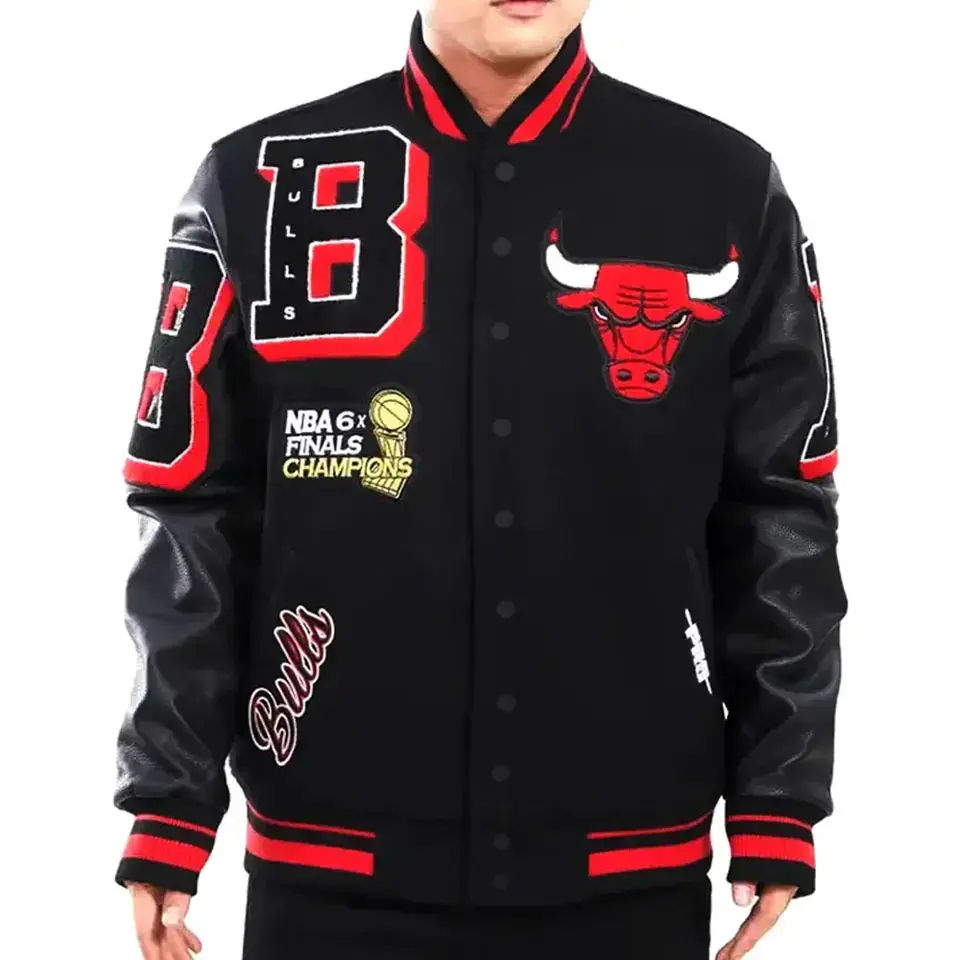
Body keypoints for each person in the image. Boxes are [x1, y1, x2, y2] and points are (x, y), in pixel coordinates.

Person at [114, 1, 846, 958]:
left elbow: (781, 507)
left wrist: (779, 793)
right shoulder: (260, 180)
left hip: (628, 859)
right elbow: (193, 508)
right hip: (328, 865)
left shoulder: (724, 186)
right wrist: (169, 803)